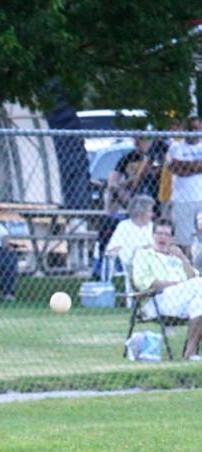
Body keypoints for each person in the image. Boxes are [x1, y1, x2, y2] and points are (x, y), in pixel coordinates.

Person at [130, 219, 202, 360]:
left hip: (185, 301)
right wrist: (176, 285)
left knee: (200, 304)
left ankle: (190, 353)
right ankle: (190, 353)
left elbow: (193, 277)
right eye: (159, 233)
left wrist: (182, 258)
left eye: (166, 234)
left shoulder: (176, 259)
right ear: (153, 235)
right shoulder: (144, 254)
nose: (162, 237)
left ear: (172, 239)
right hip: (157, 300)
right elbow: (144, 282)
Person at [167, 117, 202, 251]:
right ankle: (187, 268)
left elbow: (181, 167)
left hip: (201, 198)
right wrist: (198, 166)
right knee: (184, 241)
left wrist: (185, 166)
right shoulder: (176, 147)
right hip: (182, 200)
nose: (192, 132)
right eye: (190, 129)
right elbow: (176, 169)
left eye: (196, 129)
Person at [106, 136, 165, 212]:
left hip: (155, 192)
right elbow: (112, 183)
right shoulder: (128, 158)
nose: (136, 144)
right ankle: (110, 216)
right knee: (112, 192)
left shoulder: (158, 156)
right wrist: (125, 183)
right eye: (135, 140)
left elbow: (155, 173)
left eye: (140, 140)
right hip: (133, 194)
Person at [102, 194, 154, 279]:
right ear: (141, 213)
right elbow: (111, 248)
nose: (152, 214)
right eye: (150, 211)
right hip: (132, 262)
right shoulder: (124, 226)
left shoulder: (151, 226)